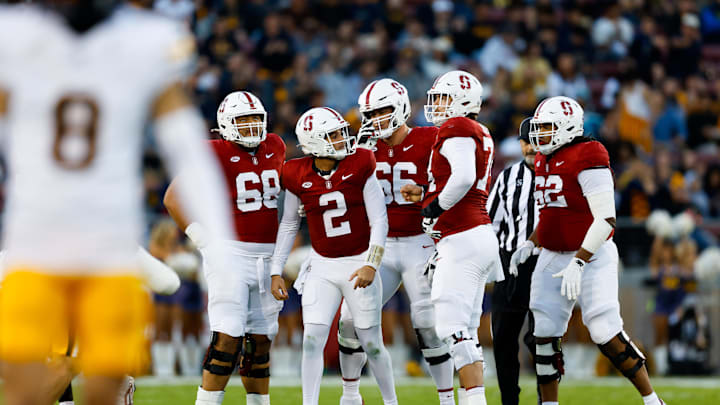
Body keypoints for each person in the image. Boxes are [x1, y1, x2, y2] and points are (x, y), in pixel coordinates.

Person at [0, 1, 235, 404]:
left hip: (57, 241)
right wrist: (223, 244)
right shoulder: (146, 38)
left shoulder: (16, 33)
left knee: (58, 382)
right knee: (75, 380)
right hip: (82, 242)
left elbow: (185, 146)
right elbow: (187, 151)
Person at [511, 96, 667, 405]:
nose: (539, 136)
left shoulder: (589, 153)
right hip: (552, 255)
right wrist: (531, 242)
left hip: (592, 255)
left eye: (547, 128)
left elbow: (606, 218)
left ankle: (652, 400)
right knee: (543, 334)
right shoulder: (543, 158)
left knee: (604, 331)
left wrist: (580, 261)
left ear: (568, 128)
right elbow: (553, 214)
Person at [337, 78, 455, 405]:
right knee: (349, 319)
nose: (378, 119)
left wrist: (426, 195)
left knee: (427, 322)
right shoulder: (362, 148)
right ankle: (350, 394)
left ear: (402, 106)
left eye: (385, 110)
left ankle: (447, 399)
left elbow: (454, 186)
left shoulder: (431, 139)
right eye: (372, 113)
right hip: (381, 246)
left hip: (422, 243)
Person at [164, 90, 286, 405]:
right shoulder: (213, 151)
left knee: (260, 344)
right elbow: (174, 197)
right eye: (242, 120)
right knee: (226, 338)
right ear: (225, 123)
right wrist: (205, 241)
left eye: (255, 119)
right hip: (230, 254)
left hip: (268, 256)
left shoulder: (275, 145)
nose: (250, 126)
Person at [269, 107, 397, 405]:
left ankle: (391, 401)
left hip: (358, 261)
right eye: (334, 134)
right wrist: (276, 269)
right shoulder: (295, 172)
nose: (343, 138)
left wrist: (371, 263)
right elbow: (289, 223)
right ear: (314, 142)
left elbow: (380, 219)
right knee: (312, 338)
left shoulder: (361, 162)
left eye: (341, 132)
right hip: (322, 264)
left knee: (372, 343)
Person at [402, 70, 501, 405]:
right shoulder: (478, 131)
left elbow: (463, 179)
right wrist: (427, 194)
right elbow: (463, 181)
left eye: (444, 97)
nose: (437, 105)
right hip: (476, 234)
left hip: (462, 237)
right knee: (466, 331)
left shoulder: (457, 127)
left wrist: (434, 208)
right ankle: (475, 400)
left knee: (451, 329)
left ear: (463, 100)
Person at [487, 117, 540, 405]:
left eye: (535, 139)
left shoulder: (556, 175)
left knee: (542, 338)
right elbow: (491, 222)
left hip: (544, 263)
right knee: (503, 339)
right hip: (509, 263)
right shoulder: (507, 177)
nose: (530, 146)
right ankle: (510, 400)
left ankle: (548, 398)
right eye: (525, 141)